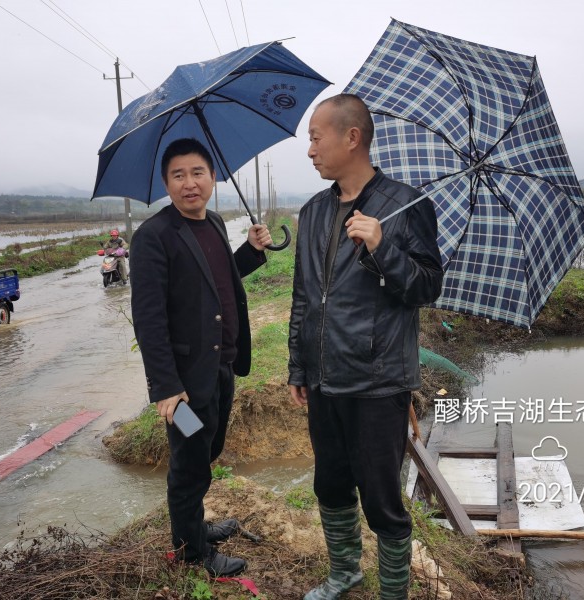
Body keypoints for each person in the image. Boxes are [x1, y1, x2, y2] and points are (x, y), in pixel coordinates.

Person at [288, 94, 443, 599]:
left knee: (381, 499)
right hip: (324, 378)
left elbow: (425, 287)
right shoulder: (313, 212)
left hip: (379, 381)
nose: (309, 150)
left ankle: (393, 592)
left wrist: (383, 247)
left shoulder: (404, 205)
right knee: (330, 485)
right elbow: (303, 297)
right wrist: (298, 367)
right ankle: (344, 573)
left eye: (315, 137)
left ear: (351, 137)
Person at [130, 137, 272, 577]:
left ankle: (196, 526)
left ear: (213, 177)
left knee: (207, 451)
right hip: (185, 385)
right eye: (178, 175)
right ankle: (192, 552)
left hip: (221, 368)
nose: (190, 183)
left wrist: (251, 251)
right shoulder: (153, 236)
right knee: (188, 464)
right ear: (166, 183)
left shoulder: (211, 222)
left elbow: (217, 281)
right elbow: (148, 319)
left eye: (197, 173)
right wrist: (166, 387)